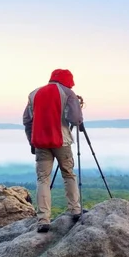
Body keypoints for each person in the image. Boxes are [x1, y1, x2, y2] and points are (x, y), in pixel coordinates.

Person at [23, 69, 84, 233]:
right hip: (61, 141)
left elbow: (27, 121)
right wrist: (78, 107)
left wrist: (32, 142)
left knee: (43, 179)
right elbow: (75, 120)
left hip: (41, 143)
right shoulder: (68, 93)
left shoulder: (34, 94)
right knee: (68, 173)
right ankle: (76, 210)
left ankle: (43, 220)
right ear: (67, 81)